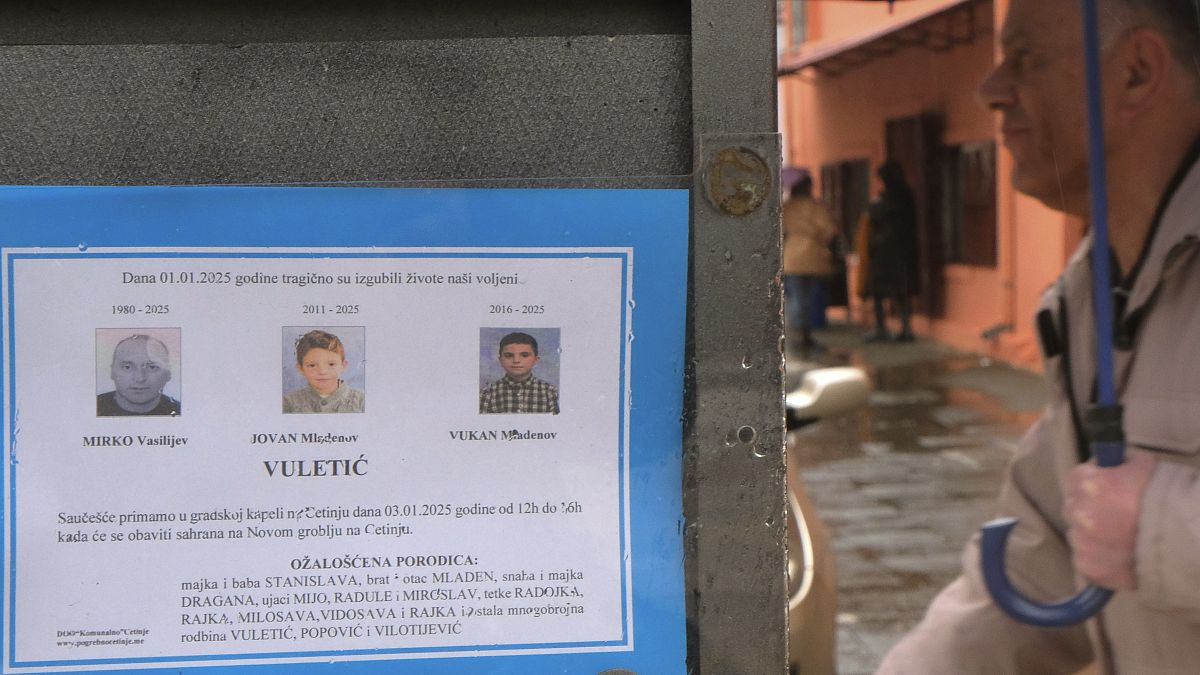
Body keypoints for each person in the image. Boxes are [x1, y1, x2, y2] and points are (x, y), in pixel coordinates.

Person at [878, 0, 1200, 672]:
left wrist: (1164, 527)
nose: (990, 89)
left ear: (1138, 72)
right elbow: (1034, 566)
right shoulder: (1091, 292)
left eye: (1025, 59)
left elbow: (1130, 524)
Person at [858, 160, 919, 342]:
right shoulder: (904, 195)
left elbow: (877, 215)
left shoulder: (893, 198)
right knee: (898, 290)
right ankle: (901, 328)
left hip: (888, 249)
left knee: (887, 290)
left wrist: (878, 204)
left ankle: (887, 328)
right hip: (898, 249)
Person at [782, 171, 839, 351]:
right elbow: (829, 231)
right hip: (814, 256)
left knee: (795, 298)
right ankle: (805, 334)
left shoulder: (786, 207)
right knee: (809, 298)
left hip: (791, 257)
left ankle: (796, 333)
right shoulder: (816, 207)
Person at [97, 334, 181, 416]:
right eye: (127, 367)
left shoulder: (182, 412)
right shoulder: (92, 408)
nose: (140, 378)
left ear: (168, 373)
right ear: (112, 372)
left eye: (152, 367)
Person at [283, 329, 364, 414]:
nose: (322, 371)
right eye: (312, 365)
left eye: (331, 364)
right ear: (301, 369)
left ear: (343, 366)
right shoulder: (288, 403)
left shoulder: (361, 401)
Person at [479, 331, 559, 414]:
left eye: (524, 355)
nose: (516, 361)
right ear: (500, 360)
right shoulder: (487, 393)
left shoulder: (550, 392)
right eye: (508, 355)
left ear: (535, 360)